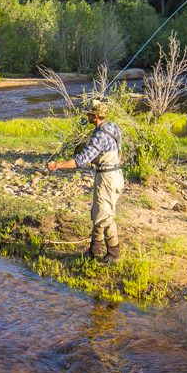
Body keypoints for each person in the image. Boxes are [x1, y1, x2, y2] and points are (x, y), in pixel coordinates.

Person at [46, 100, 124, 262]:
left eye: (88, 114)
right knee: (99, 211)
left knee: (104, 216)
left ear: (95, 116)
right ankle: (94, 251)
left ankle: (113, 254)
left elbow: (80, 160)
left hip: (106, 178)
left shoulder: (99, 135)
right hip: (116, 175)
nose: (86, 116)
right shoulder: (113, 127)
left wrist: (57, 166)